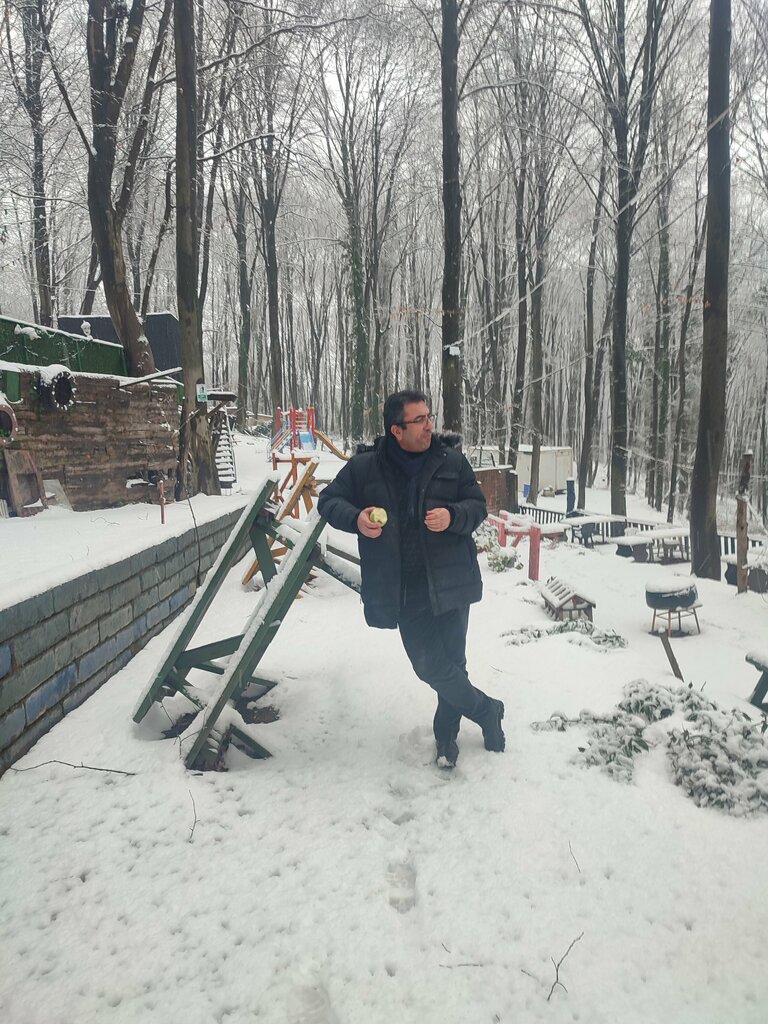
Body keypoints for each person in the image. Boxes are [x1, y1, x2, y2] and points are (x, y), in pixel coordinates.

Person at [317, 389, 505, 768]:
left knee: (453, 662)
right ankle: (488, 710)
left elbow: (477, 506)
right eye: (419, 420)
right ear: (396, 430)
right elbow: (329, 500)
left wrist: (453, 516)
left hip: (451, 581)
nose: (429, 426)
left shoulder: (452, 462)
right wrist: (356, 518)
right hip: (404, 590)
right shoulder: (366, 467)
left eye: (429, 417)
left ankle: (446, 739)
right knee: (429, 666)